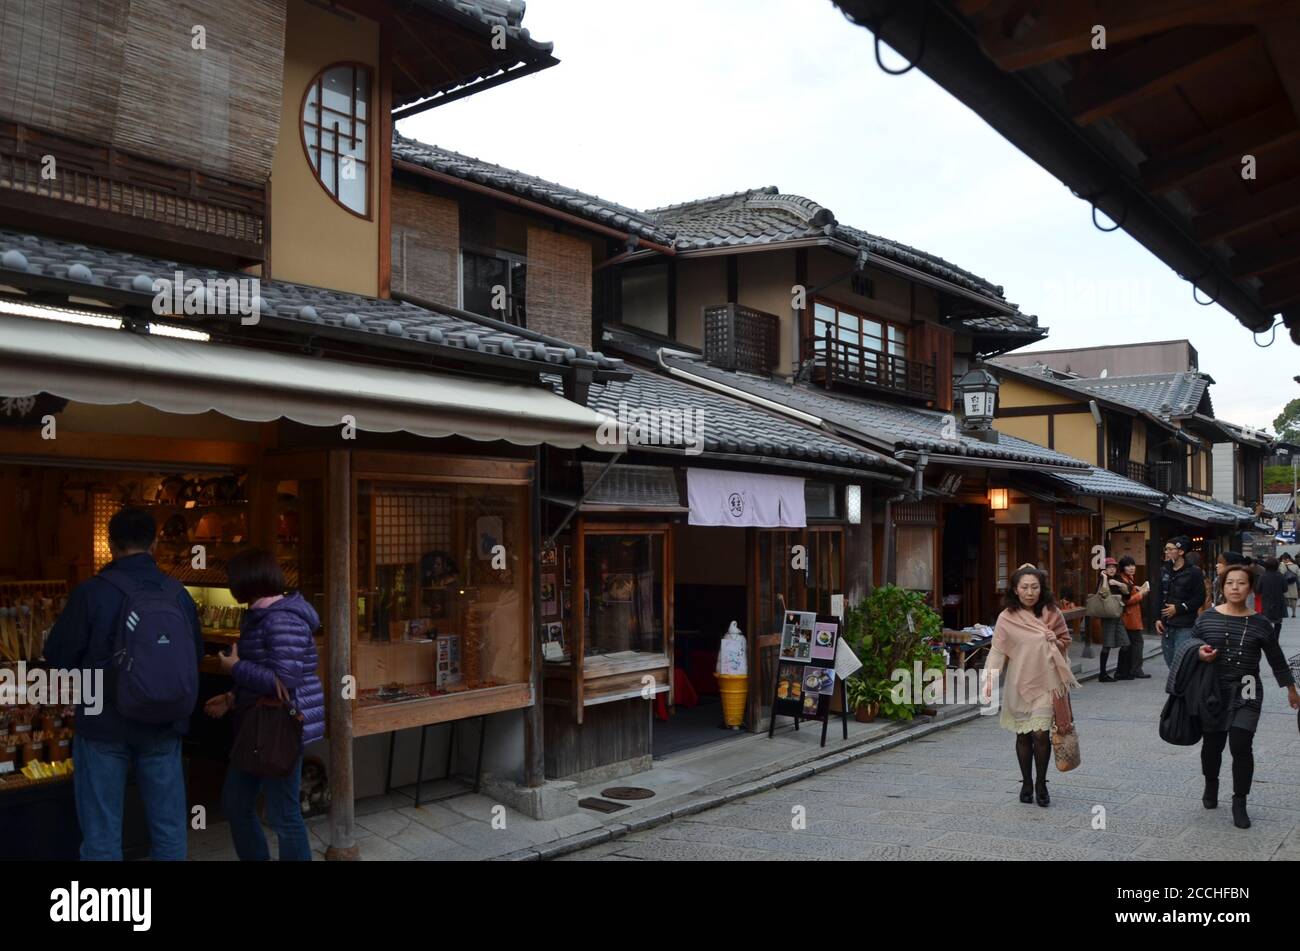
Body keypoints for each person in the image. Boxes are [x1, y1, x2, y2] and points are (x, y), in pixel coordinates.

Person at [43, 507, 203, 861]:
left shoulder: (91, 593)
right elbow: (194, 655)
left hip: (102, 724)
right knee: (169, 831)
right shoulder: (178, 594)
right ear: (156, 544)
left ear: (111, 544)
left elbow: (57, 655)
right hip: (163, 723)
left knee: (102, 837)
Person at [203, 549, 325, 861]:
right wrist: (232, 697)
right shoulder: (262, 616)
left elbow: (284, 682)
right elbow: (267, 671)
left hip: (278, 729)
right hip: (257, 727)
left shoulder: (282, 619)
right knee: (236, 805)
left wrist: (235, 668)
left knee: (284, 815)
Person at [1190, 565, 1299, 828]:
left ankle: (1240, 801)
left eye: (1241, 583)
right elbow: (1190, 646)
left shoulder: (1261, 623)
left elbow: (1276, 659)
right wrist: (1199, 653)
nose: (1235, 587)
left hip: (1247, 686)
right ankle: (1211, 784)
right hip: (1213, 689)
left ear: (1250, 588)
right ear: (1222, 587)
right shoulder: (1206, 618)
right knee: (1213, 744)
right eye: (1230, 583)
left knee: (1240, 743)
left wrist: (1291, 689)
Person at [983, 564, 1080, 807]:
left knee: (1041, 734)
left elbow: (1066, 641)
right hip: (1019, 682)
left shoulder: (1052, 612)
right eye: (1024, 587)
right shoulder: (1007, 617)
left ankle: (1041, 783)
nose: (1029, 592)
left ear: (1041, 588)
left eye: (1034, 587)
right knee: (1024, 735)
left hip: (1048, 682)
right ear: (1015, 590)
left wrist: (1055, 640)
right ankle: (1026, 782)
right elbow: (998, 650)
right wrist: (989, 679)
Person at [1157, 536, 1206, 670]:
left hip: (1185, 624)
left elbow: (1200, 598)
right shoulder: (1164, 570)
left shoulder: (1194, 572)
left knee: (1182, 660)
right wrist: (1157, 618)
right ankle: (1178, 688)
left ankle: (1181, 689)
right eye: (1165, 549)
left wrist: (1179, 608)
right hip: (1167, 624)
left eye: (1170, 549)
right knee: (1170, 661)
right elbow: (1159, 595)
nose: (1166, 552)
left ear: (1181, 551)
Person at [1097, 557, 1130, 682]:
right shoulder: (1101, 579)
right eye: (1109, 567)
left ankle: (1119, 672)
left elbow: (1127, 592)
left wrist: (1118, 583)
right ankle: (1102, 674)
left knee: (1126, 644)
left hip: (1118, 614)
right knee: (1107, 645)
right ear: (1104, 569)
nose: (1111, 569)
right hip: (1108, 616)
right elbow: (1104, 594)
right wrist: (1105, 578)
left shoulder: (1118, 578)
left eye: (1113, 567)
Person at [1118, 556, 1151, 679]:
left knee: (1131, 644)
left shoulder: (1128, 579)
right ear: (1122, 568)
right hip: (1129, 616)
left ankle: (1128, 669)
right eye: (1128, 565)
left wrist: (1136, 588)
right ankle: (1135, 669)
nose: (1132, 568)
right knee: (1137, 643)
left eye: (1133, 565)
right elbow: (1126, 601)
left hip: (1131, 616)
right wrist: (1141, 594)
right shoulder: (1123, 581)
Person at [1259, 558, 1288, 641]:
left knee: (1267, 622)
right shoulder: (1280, 576)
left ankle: (1269, 638)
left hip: (1267, 602)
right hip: (1279, 602)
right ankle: (1276, 638)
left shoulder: (1263, 576)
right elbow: (1285, 589)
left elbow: (1258, 589)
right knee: (1278, 622)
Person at [1282, 553, 1300, 618]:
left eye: (1283, 559)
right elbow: (1298, 575)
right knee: (1294, 599)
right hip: (1293, 584)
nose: (1282, 561)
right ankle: (1294, 613)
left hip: (1285, 584)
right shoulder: (1295, 566)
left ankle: (1285, 612)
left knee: (1285, 598)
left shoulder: (1282, 566)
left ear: (1287, 559)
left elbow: (1281, 575)